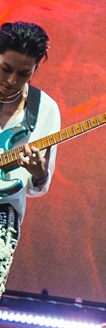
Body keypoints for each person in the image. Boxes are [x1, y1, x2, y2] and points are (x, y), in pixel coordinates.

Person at [0, 22, 60, 300]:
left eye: (24, 73)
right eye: (5, 68)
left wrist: (38, 173)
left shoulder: (45, 109)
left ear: (36, 69)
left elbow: (38, 187)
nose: (12, 80)